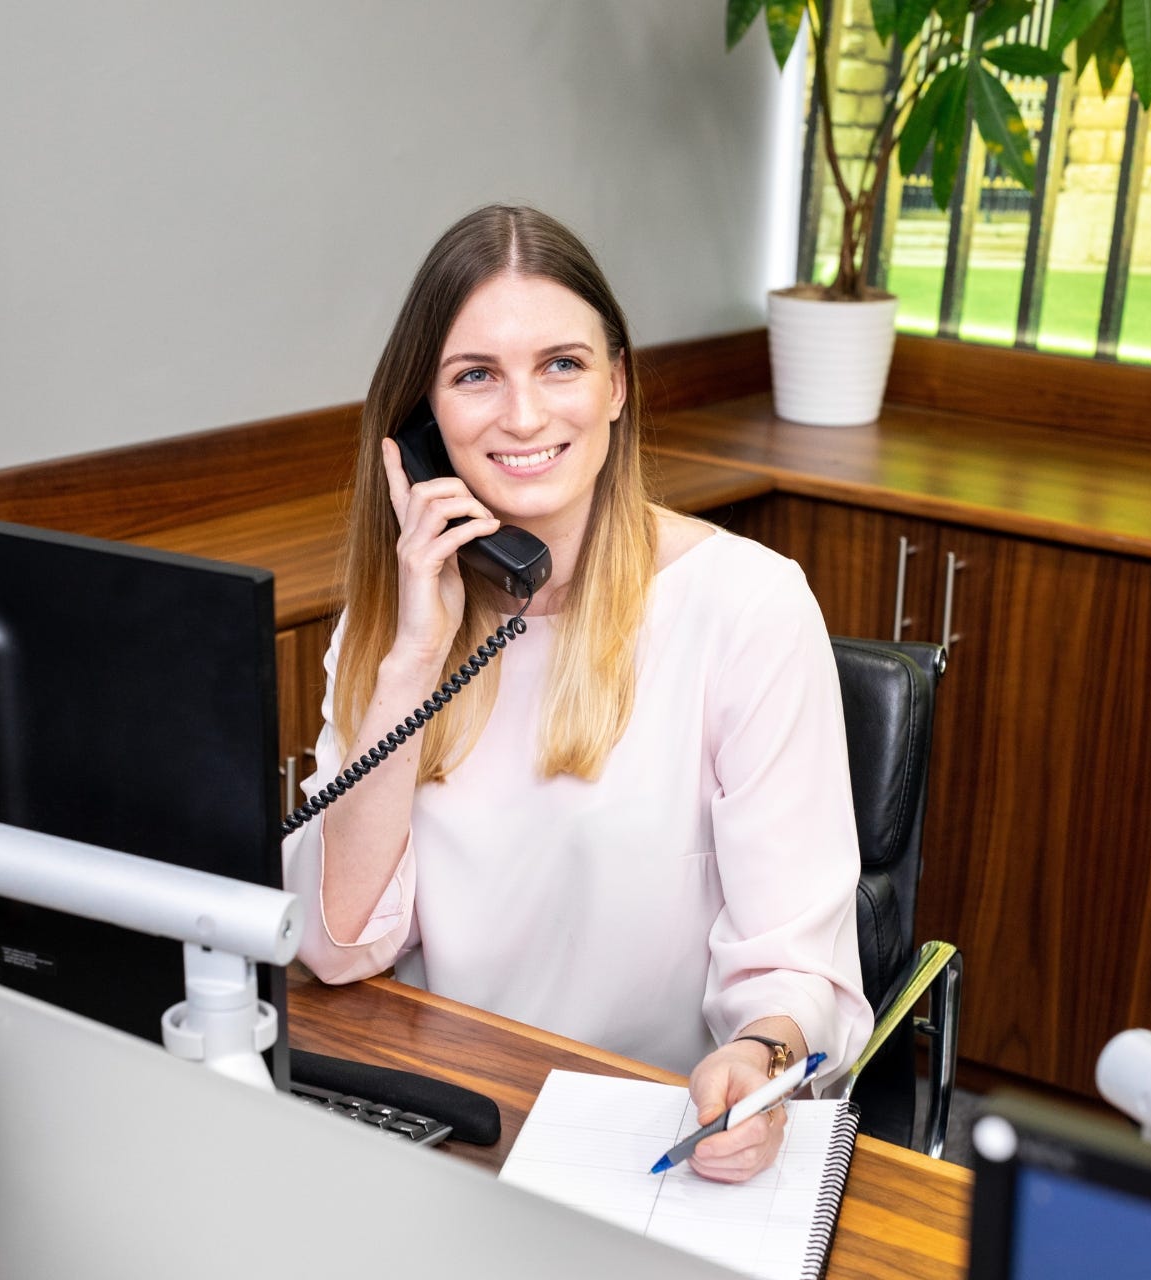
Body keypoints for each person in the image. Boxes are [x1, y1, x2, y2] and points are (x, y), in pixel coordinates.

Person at [283, 204, 872, 1184]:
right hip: (441, 1122)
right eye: (476, 376)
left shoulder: (745, 608)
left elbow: (796, 969)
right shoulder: (397, 630)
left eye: (560, 363)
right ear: (420, 428)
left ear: (616, 386)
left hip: (651, 1136)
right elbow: (337, 945)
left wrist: (755, 1060)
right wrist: (410, 661)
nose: (522, 416)